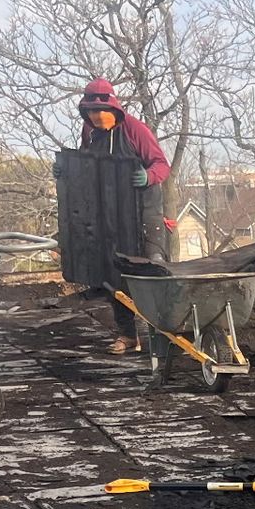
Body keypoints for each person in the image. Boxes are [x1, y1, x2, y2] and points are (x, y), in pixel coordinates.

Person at [77, 78, 172, 354]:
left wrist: (148, 176)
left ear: (113, 109)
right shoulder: (90, 132)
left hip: (145, 214)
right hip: (112, 216)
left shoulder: (135, 130)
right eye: (91, 113)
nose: (96, 117)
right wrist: (67, 174)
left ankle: (163, 334)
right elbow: (86, 165)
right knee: (114, 278)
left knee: (154, 272)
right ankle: (128, 335)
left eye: (100, 111)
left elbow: (161, 165)